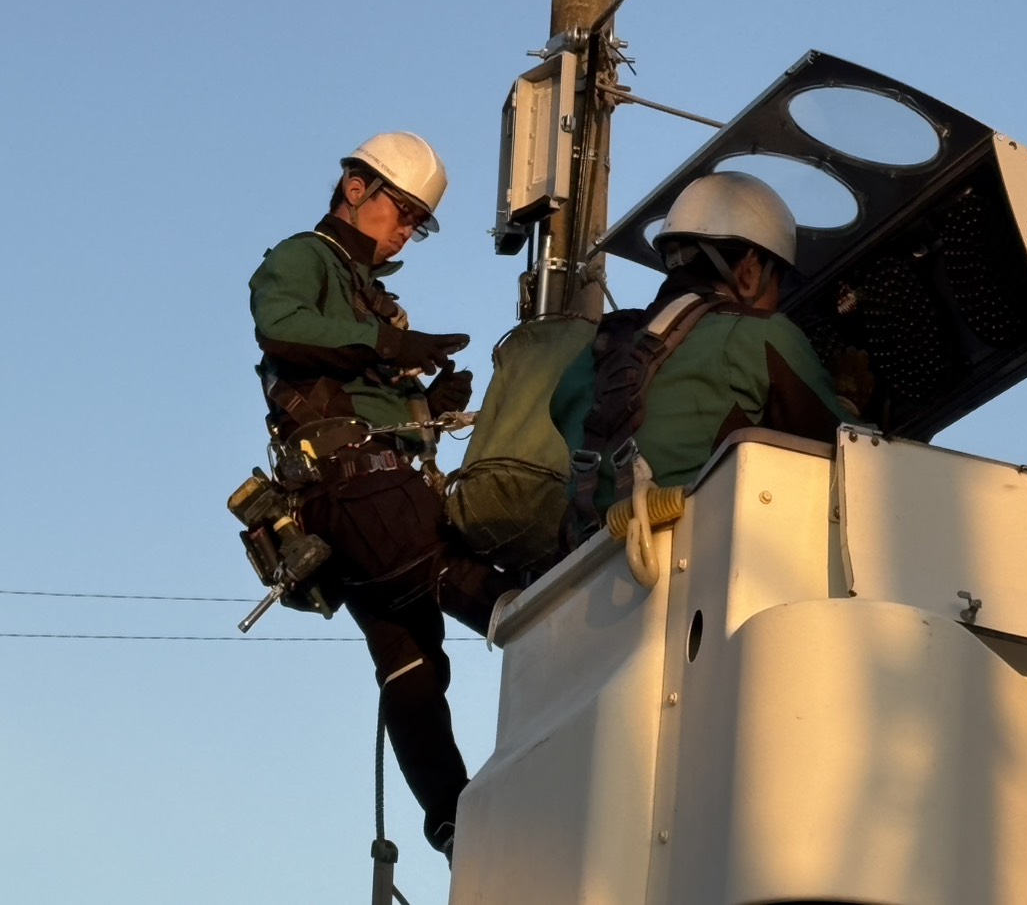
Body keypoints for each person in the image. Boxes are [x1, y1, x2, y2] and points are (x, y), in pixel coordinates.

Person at [248, 131, 513, 858]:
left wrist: (428, 401)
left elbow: (357, 391)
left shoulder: (369, 296)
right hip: (362, 498)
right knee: (467, 582)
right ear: (357, 187)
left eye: (417, 225)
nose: (405, 233)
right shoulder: (303, 257)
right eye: (402, 213)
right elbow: (283, 327)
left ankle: (455, 822)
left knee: (411, 664)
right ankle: (594, 656)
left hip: (356, 514)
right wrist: (391, 348)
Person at [550, 171, 854, 541]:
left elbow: (563, 408)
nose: (780, 300)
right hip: (696, 551)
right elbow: (855, 461)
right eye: (779, 283)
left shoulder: (595, 351)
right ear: (750, 272)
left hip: (588, 562)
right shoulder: (760, 333)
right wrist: (852, 399)